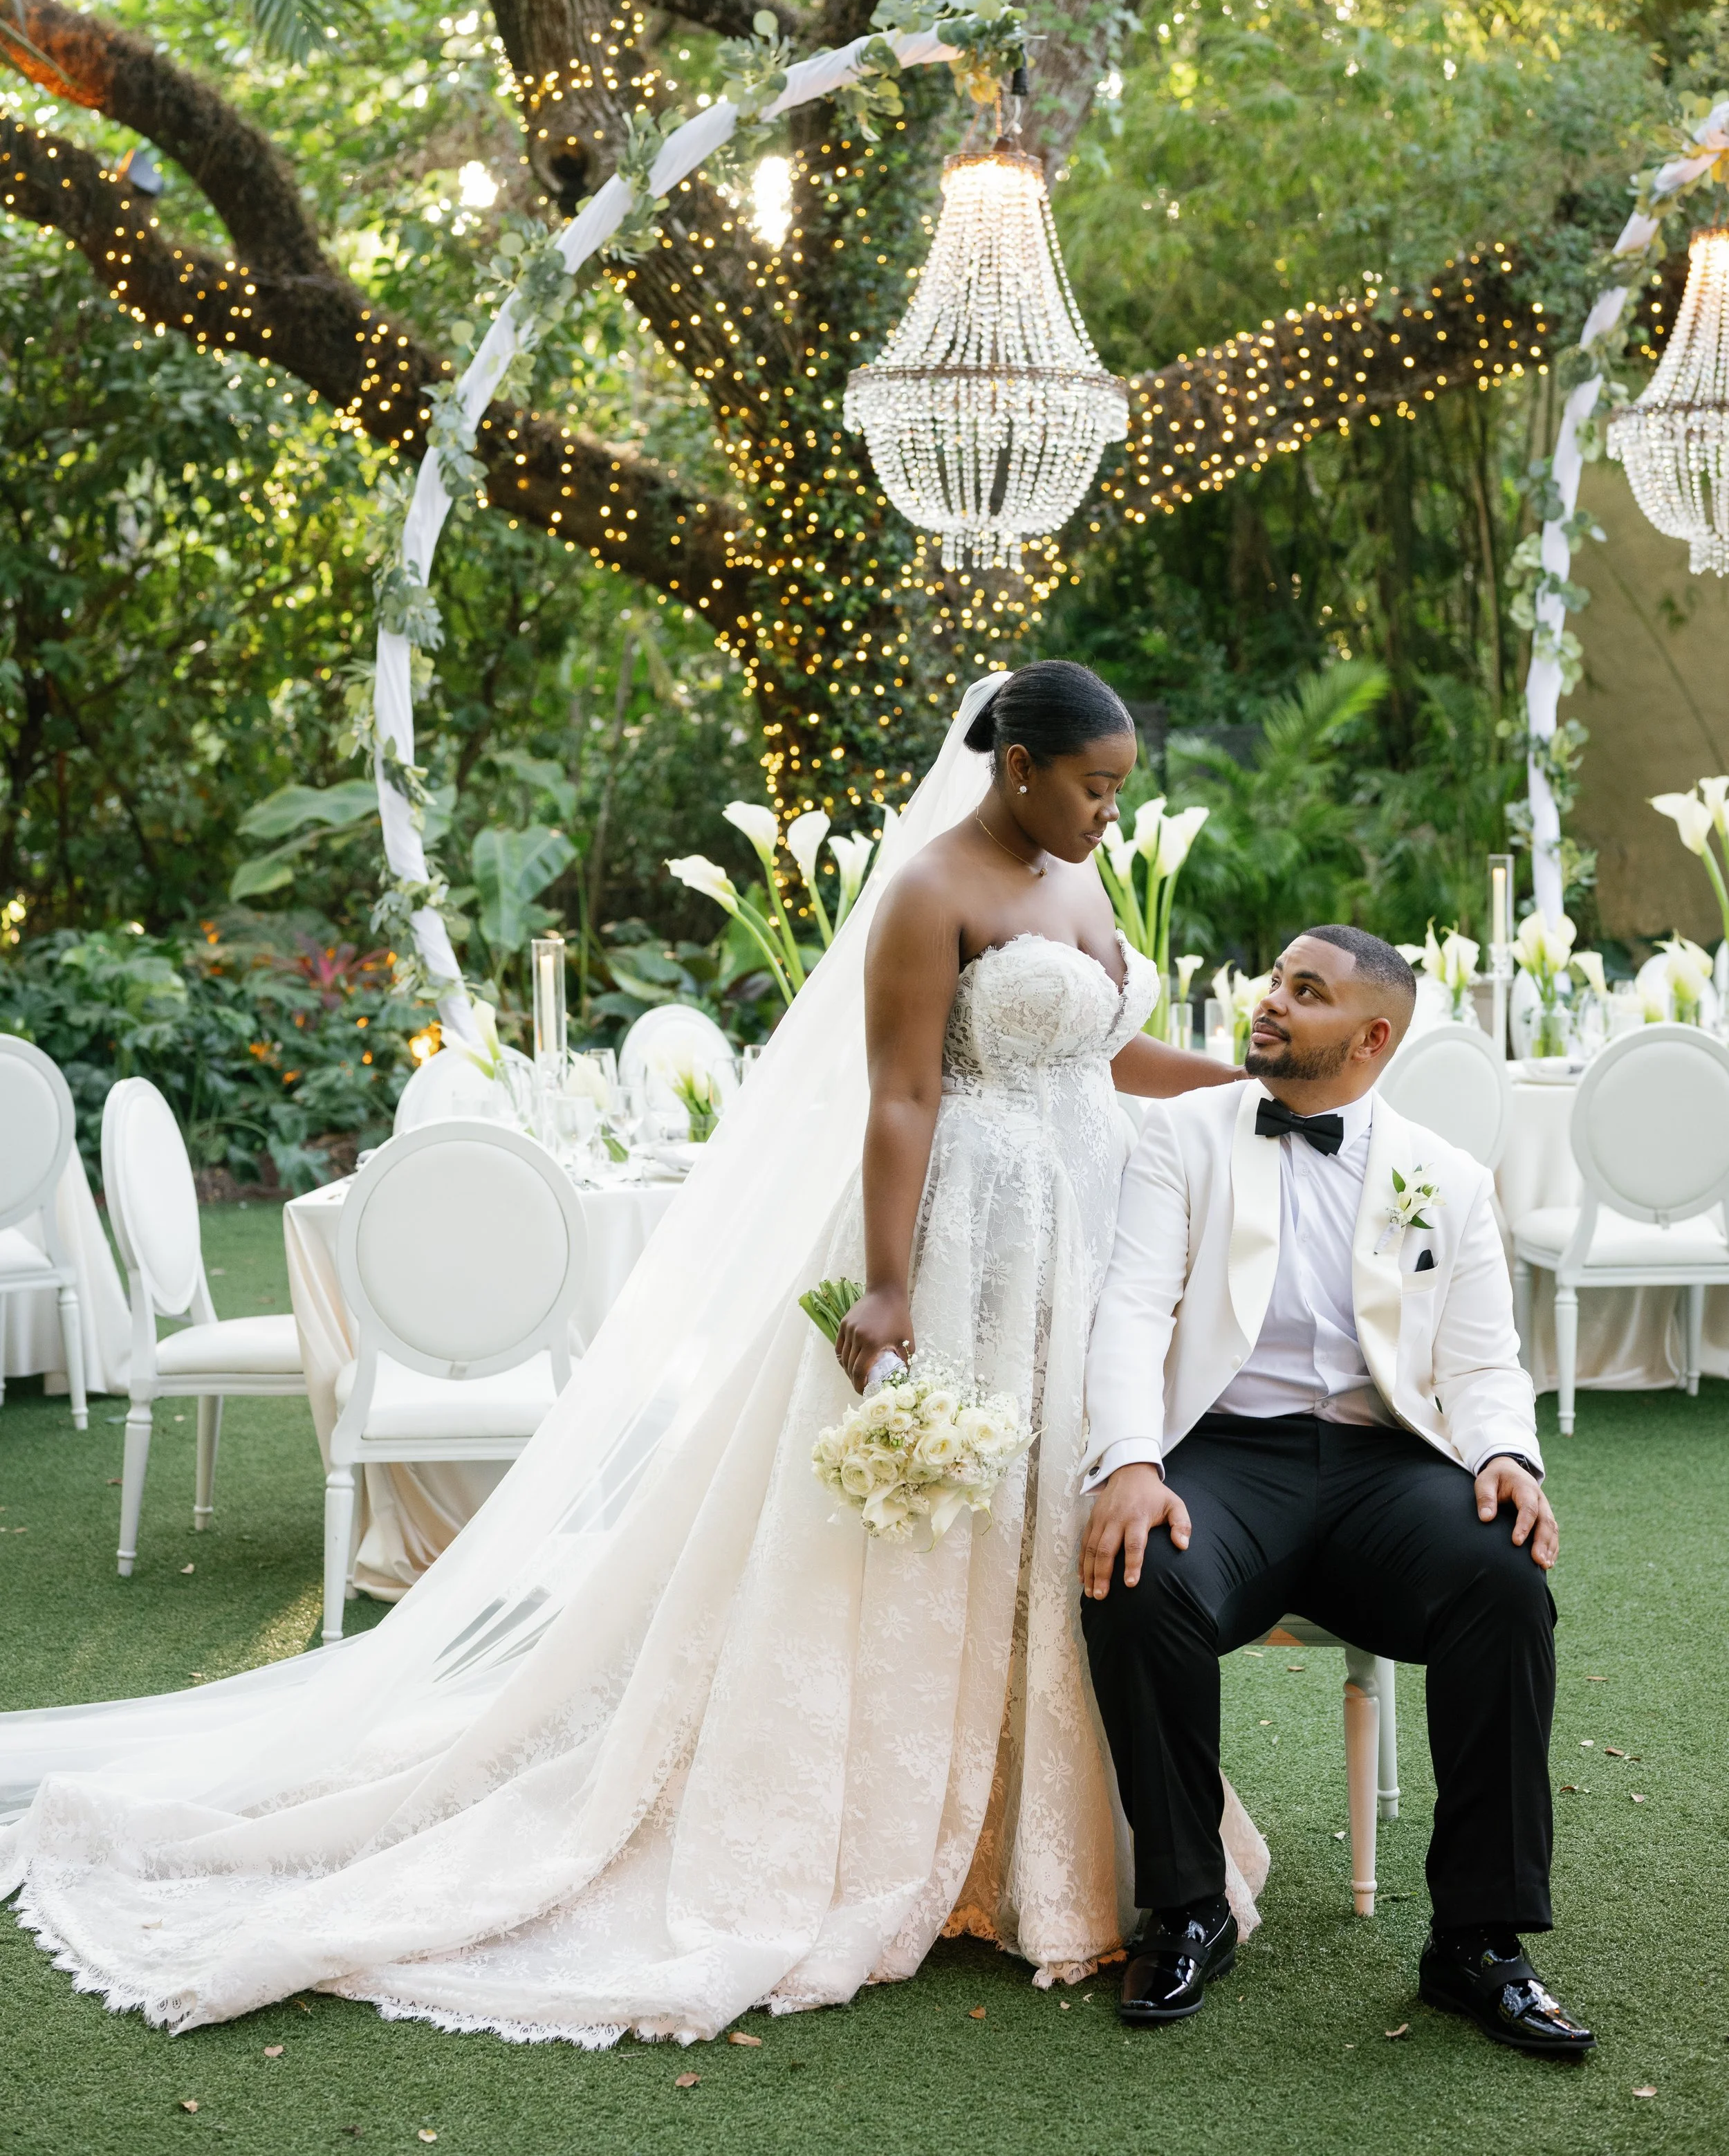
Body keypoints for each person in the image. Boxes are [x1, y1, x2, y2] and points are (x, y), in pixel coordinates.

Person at [0, 662, 1256, 2043]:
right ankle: (893, 1828)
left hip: (1072, 1243)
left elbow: (1107, 1058)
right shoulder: (929, 891)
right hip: (965, 1242)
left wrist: (1247, 1087)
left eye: (1117, 791)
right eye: (1091, 787)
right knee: (921, 1534)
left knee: (1037, 1520)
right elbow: (900, 1097)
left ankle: (1039, 1834)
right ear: (1016, 768)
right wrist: (889, 1289)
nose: (1105, 814)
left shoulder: (1078, 884)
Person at [1079, 926, 1594, 2056]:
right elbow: (1127, 1307)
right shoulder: (1182, 1136)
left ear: (1371, 1037)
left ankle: (1480, 1937)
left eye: (1303, 993)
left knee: (1506, 1576)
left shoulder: (1445, 1178)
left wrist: (1508, 1455)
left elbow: (1483, 1362)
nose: (1269, 1003)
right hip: (1226, 1453)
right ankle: (1188, 1905)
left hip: (1383, 1468)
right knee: (1137, 1572)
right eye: (1274, 980)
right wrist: (1127, 1457)